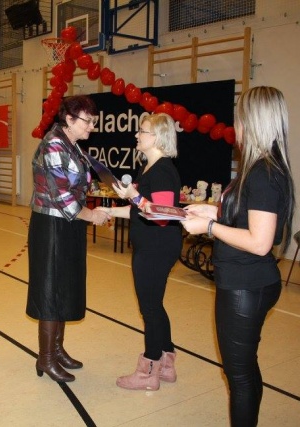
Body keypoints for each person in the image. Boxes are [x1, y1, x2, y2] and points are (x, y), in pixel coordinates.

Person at [181, 86, 295, 427]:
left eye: (240, 119)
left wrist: (210, 227)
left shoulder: (263, 173)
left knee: (239, 376)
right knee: (244, 369)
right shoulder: (261, 167)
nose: (236, 127)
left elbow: (260, 242)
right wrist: (212, 210)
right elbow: (248, 215)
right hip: (248, 281)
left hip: (246, 285)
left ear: (253, 122)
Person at [27, 95, 111, 383]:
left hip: (69, 225)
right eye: (88, 121)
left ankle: (57, 350)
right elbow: (61, 196)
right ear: (70, 119)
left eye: (93, 121)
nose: (92, 127)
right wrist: (92, 215)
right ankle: (46, 357)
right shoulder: (53, 144)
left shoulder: (72, 145)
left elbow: (82, 185)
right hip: (52, 226)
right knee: (51, 290)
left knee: (63, 287)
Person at [97, 112, 182, 391]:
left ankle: (149, 371)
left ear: (157, 137)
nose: (137, 135)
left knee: (150, 308)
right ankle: (166, 364)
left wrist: (133, 195)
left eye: (142, 131)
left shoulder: (163, 171)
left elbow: (161, 215)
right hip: (150, 245)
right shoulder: (148, 168)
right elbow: (139, 211)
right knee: (154, 305)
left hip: (157, 248)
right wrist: (110, 211)